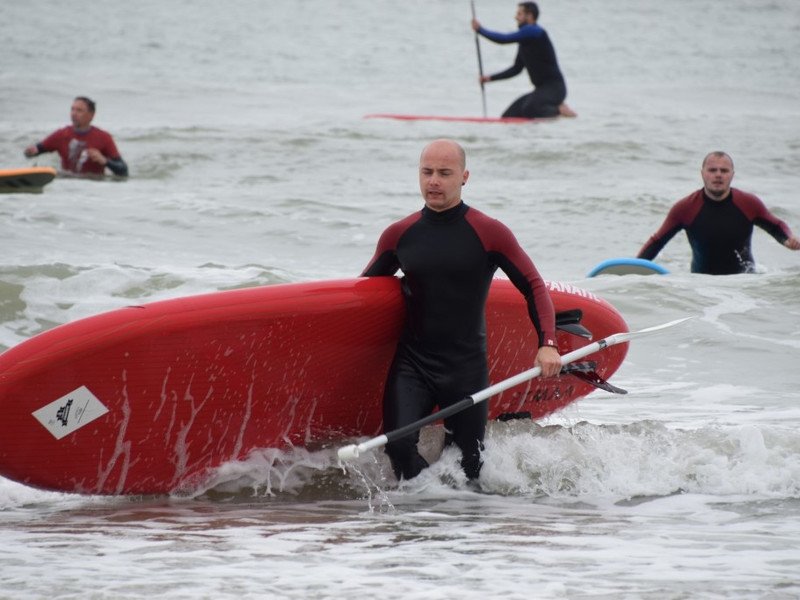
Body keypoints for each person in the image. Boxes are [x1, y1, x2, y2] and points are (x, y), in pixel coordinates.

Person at [361, 139, 562, 482]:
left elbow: (533, 285)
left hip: (465, 368)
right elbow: (366, 292)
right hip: (414, 366)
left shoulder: (489, 233)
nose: (434, 181)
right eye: (427, 172)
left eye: (444, 173)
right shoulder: (400, 235)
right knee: (398, 448)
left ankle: (454, 518)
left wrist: (547, 343)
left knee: (468, 467)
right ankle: (427, 511)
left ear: (464, 177)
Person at [637, 151, 800, 275]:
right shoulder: (685, 208)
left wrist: (787, 239)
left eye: (724, 170)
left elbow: (776, 225)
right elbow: (657, 241)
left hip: (746, 285)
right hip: (702, 286)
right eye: (712, 170)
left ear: (732, 175)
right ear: (702, 173)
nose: (718, 175)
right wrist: (632, 269)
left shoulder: (748, 203)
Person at [471, 2, 576, 119]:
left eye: (519, 14)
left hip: (555, 89)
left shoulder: (535, 31)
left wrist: (480, 30)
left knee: (529, 109)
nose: (515, 17)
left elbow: (504, 39)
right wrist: (490, 78)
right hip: (541, 90)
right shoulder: (525, 40)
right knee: (508, 116)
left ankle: (559, 109)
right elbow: (516, 69)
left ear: (529, 16)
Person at [24, 96, 128, 177]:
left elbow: (124, 171)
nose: (74, 114)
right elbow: (35, 151)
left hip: (95, 183)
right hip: (67, 181)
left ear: (91, 115)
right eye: (72, 109)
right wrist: (30, 151)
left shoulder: (104, 138)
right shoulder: (61, 135)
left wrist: (104, 160)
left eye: (79, 110)